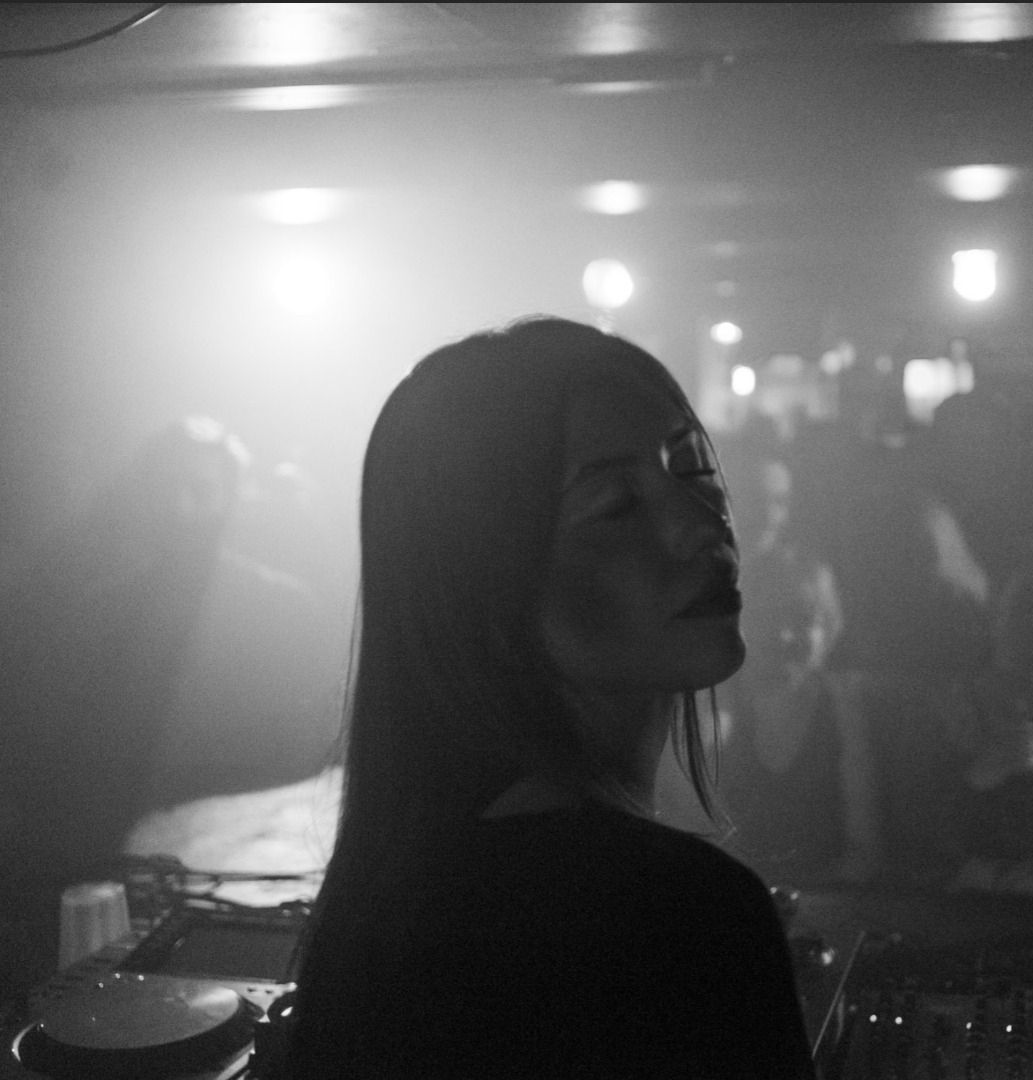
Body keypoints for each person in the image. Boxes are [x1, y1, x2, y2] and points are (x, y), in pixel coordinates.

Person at [286, 317, 816, 1079]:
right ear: (484, 582)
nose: (701, 527)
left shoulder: (395, 885)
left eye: (692, 468)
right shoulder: (674, 914)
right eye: (617, 506)